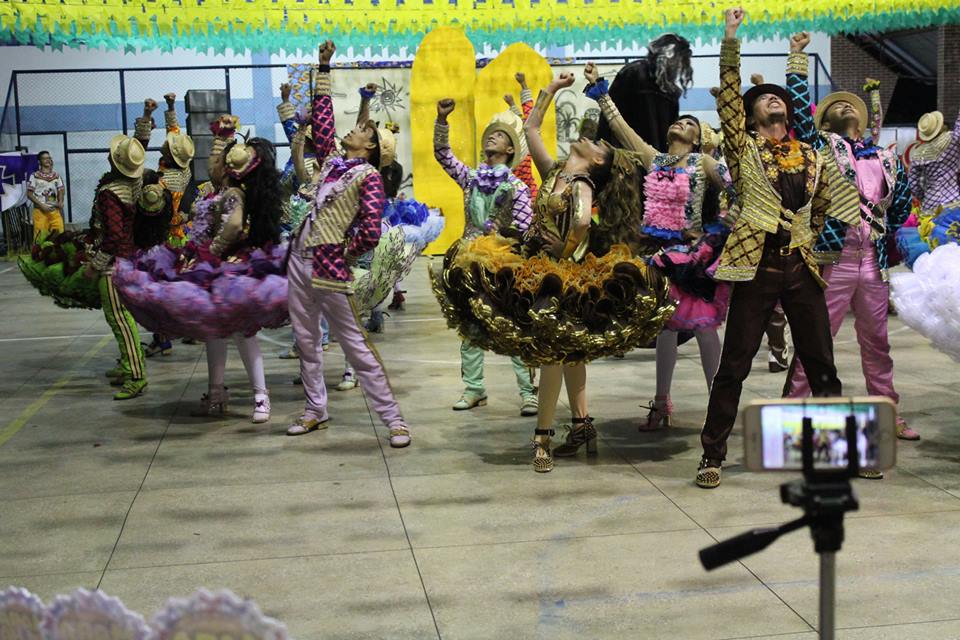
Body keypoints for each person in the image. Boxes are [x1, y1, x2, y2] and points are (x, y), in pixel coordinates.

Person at [432, 70, 674, 473]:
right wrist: (550, 90)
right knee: (569, 352)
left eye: (597, 145)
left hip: (564, 275)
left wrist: (564, 247)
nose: (590, 140)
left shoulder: (580, 182)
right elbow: (530, 129)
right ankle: (581, 426)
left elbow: (581, 222)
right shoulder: (556, 172)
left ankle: (543, 436)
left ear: (598, 161)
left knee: (552, 355)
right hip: (542, 265)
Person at [696, 8, 840, 488]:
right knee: (734, 365)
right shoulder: (743, 149)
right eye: (763, 98)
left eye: (778, 96)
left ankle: (835, 454)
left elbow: (822, 206)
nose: (772, 99)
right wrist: (730, 37)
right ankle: (712, 455)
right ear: (751, 116)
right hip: (755, 266)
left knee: (821, 363)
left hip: (800, 265)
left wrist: (797, 57)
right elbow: (730, 96)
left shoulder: (813, 154)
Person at [783, 34, 916, 448]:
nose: (843, 106)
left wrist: (884, 235)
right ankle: (792, 416)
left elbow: (900, 206)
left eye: (849, 105)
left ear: (861, 118)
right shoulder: (822, 147)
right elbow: (800, 114)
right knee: (815, 342)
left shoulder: (887, 158)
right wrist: (796, 59)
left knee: (878, 343)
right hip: (833, 259)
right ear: (824, 124)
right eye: (834, 106)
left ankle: (887, 411)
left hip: (873, 263)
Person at [584, 62, 731, 430]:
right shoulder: (656, 159)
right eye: (679, 121)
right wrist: (601, 92)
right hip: (659, 257)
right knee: (665, 329)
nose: (682, 124)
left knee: (703, 328)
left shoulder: (703, 161)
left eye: (690, 124)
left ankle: (718, 405)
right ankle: (662, 403)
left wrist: (726, 222)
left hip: (694, 258)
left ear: (697, 139)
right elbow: (622, 129)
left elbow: (735, 185)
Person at [112, 118, 288, 422]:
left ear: (230, 167)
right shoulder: (213, 192)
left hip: (228, 269)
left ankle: (260, 395)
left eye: (217, 159)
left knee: (242, 333)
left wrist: (213, 251)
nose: (212, 162)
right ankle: (216, 393)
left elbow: (234, 226)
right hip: (208, 265)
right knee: (213, 332)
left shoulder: (233, 194)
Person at [284, 40, 412, 448]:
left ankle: (394, 420)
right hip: (298, 260)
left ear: (369, 146)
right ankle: (315, 410)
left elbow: (371, 230)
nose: (352, 129)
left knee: (356, 345)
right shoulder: (332, 165)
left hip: (329, 268)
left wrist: (343, 252)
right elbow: (322, 121)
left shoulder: (368, 178)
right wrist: (324, 67)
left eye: (360, 130)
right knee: (306, 341)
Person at [434, 94, 539, 416]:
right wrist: (442, 120)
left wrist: (503, 242)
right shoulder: (470, 179)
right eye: (490, 134)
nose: (492, 137)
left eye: (500, 135)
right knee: (470, 327)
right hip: (469, 264)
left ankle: (528, 392)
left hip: (503, 267)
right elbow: (443, 155)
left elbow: (524, 230)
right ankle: (474, 389)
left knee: (515, 327)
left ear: (510, 150)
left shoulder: (517, 188)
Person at [84, 135, 148, 400]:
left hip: (113, 265)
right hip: (129, 259)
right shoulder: (135, 183)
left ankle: (136, 375)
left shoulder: (110, 193)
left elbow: (112, 237)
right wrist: (146, 121)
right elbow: (138, 149)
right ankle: (127, 364)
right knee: (123, 318)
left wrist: (95, 265)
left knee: (120, 320)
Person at [134, 94, 197, 357]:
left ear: (169, 155)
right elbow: (175, 134)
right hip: (182, 237)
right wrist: (170, 107)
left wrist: (146, 117)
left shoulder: (162, 182)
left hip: (165, 240)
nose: (167, 142)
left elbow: (136, 155)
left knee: (159, 293)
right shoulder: (183, 169)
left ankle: (162, 339)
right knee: (180, 288)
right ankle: (189, 330)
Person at [27, 151, 65, 240]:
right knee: (40, 237)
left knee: (60, 235)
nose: (47, 160)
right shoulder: (34, 176)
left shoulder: (56, 175)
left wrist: (60, 201)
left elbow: (61, 190)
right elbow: (29, 194)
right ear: (39, 161)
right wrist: (42, 206)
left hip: (54, 210)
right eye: (44, 158)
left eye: (49, 158)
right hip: (40, 211)